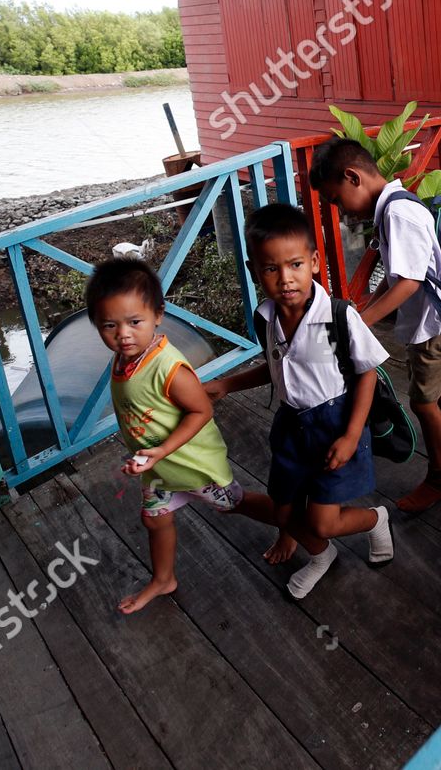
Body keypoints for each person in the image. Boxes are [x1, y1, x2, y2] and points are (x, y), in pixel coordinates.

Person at [203, 203, 394, 598]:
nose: (285, 279)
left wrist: (350, 434)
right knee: (285, 509)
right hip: (291, 426)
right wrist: (227, 384)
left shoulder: (335, 318)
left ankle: (375, 519)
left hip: (336, 424)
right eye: (271, 269)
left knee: (323, 520)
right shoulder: (266, 318)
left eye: (295, 265)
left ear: (314, 261)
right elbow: (278, 369)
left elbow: (367, 372)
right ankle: (321, 556)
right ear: (256, 271)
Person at [90, 257, 276, 614]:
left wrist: (160, 450)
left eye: (134, 322)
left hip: (188, 464)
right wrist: (153, 456)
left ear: (158, 314)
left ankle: (293, 522)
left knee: (235, 503)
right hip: (159, 469)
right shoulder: (125, 357)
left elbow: (201, 410)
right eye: (109, 325)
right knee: (155, 518)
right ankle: (163, 580)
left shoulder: (168, 367)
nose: (123, 334)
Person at [308, 138, 441, 514]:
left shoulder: (397, 215)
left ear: (353, 177)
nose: (341, 211)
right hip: (427, 319)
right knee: (425, 374)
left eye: (336, 200)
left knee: (421, 400)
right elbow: (396, 270)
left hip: (433, 321)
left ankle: (439, 478)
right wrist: (363, 306)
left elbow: (410, 281)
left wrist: (361, 322)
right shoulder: (393, 207)